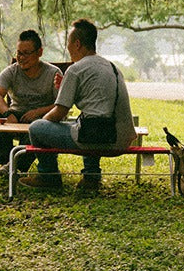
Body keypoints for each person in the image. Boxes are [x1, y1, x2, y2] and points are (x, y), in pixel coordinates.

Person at [24, 18, 136, 192]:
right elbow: (97, 102)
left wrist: (43, 122)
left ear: (77, 44)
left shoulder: (76, 69)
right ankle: (91, 178)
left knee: (37, 128)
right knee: (86, 120)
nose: (67, 47)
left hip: (96, 138)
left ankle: (48, 176)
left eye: (68, 42)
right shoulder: (113, 67)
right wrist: (65, 88)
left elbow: (59, 113)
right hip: (122, 138)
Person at [0, 29, 62, 178]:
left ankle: (15, 167)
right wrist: (7, 114)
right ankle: (7, 162)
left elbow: (61, 104)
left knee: (39, 127)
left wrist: (38, 112)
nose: (21, 58)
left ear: (39, 52)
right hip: (16, 114)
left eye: (26, 53)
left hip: (42, 117)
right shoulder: (11, 72)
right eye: (19, 53)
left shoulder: (53, 73)